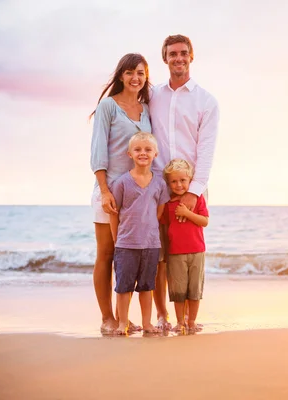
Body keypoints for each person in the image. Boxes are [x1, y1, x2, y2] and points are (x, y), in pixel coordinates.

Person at [149, 34, 219, 329]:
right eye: (172, 54)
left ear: (191, 56)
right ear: (164, 58)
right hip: (157, 189)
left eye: (183, 53)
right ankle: (163, 315)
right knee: (159, 255)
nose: (178, 58)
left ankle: (189, 318)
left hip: (190, 190)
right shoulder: (153, 96)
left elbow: (206, 150)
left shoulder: (206, 101)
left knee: (186, 253)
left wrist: (193, 192)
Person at [90, 53, 152, 333]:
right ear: (120, 76)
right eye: (129, 72)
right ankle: (107, 318)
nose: (135, 78)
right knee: (106, 253)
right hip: (110, 192)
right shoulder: (108, 107)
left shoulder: (146, 110)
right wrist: (104, 191)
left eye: (140, 72)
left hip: (136, 196)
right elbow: (98, 152)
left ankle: (122, 317)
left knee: (125, 256)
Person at [109, 132, 169, 335]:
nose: (143, 153)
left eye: (147, 149)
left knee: (146, 287)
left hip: (151, 244)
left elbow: (159, 212)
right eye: (138, 149)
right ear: (129, 153)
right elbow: (114, 213)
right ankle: (122, 323)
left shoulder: (160, 183)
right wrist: (117, 240)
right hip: (126, 244)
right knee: (124, 287)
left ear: (155, 153)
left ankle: (147, 323)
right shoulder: (122, 183)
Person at [161, 159, 208, 333]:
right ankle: (180, 322)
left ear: (190, 180)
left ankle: (192, 321)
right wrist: (165, 252)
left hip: (197, 251)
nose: (178, 184)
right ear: (168, 183)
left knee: (194, 290)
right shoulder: (168, 204)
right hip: (175, 253)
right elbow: (165, 228)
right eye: (173, 181)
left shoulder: (198, 199)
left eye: (183, 180)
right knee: (178, 291)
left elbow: (204, 221)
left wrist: (187, 213)